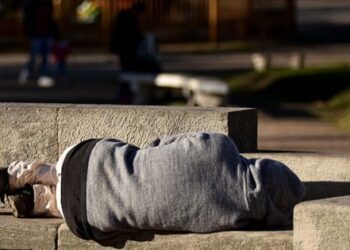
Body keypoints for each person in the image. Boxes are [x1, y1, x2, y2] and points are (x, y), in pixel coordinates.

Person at [0, 132, 305, 244]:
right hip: (83, 216)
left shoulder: (220, 147)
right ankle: (41, 201)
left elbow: (160, 145)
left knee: (125, 159)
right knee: (108, 213)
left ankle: (30, 174)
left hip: (87, 160)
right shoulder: (236, 215)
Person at [110, 2, 161, 73]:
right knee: (128, 62)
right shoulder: (129, 18)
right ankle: (127, 76)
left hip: (123, 46)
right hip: (125, 46)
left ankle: (126, 75)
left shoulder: (126, 16)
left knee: (126, 62)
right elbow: (133, 34)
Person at [18, 0, 56, 85]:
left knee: (46, 57)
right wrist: (28, 34)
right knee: (34, 56)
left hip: (47, 33)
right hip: (35, 34)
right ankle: (27, 71)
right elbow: (27, 20)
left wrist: (56, 35)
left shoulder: (47, 3)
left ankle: (44, 75)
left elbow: (50, 19)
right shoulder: (30, 4)